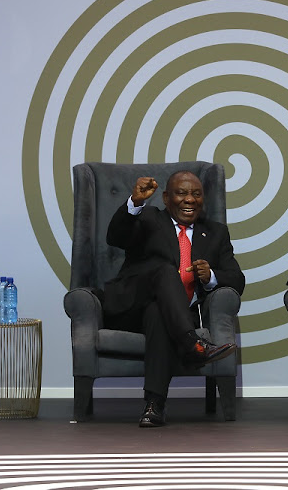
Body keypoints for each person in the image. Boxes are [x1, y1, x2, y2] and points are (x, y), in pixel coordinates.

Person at [103, 171, 245, 427]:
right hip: (131, 306)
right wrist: (135, 202)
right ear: (167, 198)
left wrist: (211, 275)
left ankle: (154, 405)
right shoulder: (148, 218)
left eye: (196, 194)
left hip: (174, 316)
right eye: (181, 193)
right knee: (165, 271)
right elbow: (115, 237)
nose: (189, 199)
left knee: (159, 313)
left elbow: (237, 280)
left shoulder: (215, 232)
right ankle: (193, 344)